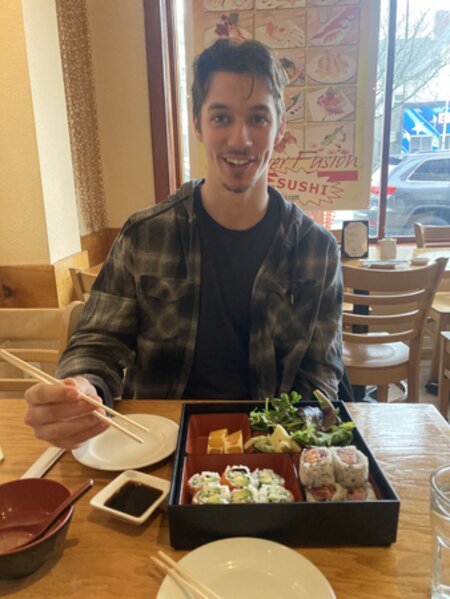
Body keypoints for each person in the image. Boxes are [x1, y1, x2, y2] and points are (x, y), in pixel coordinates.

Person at [24, 39, 344, 449]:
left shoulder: (316, 251)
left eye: (258, 118)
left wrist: (293, 439)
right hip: (157, 448)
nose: (240, 139)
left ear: (280, 129)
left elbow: (320, 377)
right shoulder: (144, 234)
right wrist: (84, 388)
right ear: (197, 124)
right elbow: (98, 342)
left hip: (268, 451)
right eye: (221, 117)